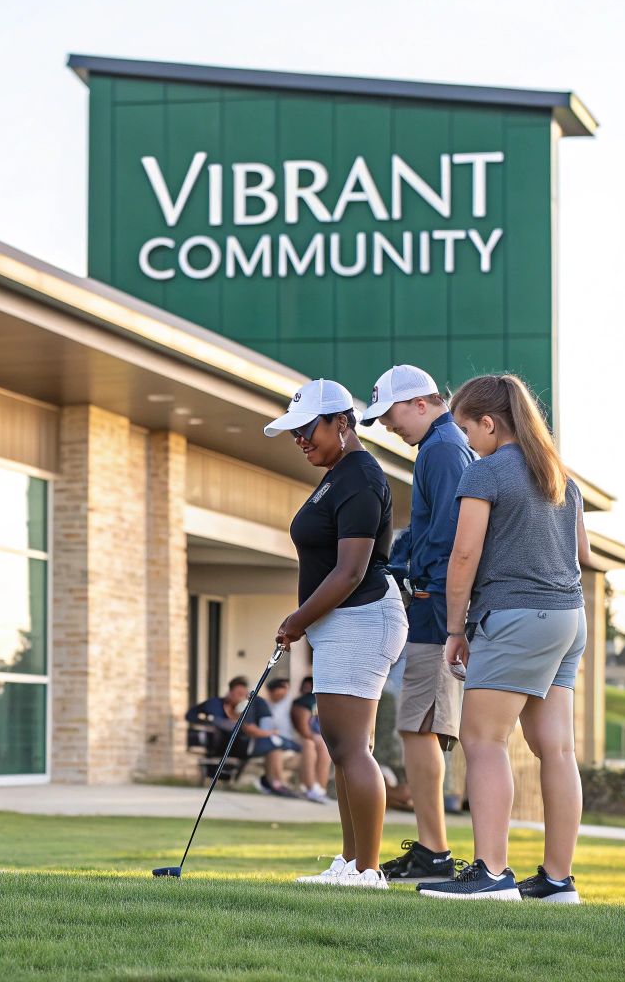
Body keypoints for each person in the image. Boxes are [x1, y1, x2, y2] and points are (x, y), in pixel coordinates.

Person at [418, 374, 591, 905]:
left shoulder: (487, 473)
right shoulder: (561, 477)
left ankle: (491, 873)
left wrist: (453, 629)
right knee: (556, 749)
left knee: (483, 741)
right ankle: (558, 881)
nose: (467, 441)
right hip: (569, 620)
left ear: (490, 423)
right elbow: (581, 553)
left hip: (514, 617)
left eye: (469, 429)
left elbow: (463, 557)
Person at [265, 380, 405, 890]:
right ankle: (350, 863)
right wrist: (305, 620)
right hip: (342, 623)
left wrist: (297, 619)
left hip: (362, 616)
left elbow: (350, 571)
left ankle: (369, 870)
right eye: (294, 434)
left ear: (341, 422)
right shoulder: (339, 474)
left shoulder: (360, 476)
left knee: (350, 748)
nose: (300, 440)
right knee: (343, 744)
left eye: (307, 430)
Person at [362, 365, 474, 883]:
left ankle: (435, 852)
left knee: (419, 726)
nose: (389, 426)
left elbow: (453, 529)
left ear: (421, 403)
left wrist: (423, 579)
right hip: (432, 605)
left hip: (435, 608)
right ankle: (432, 848)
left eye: (392, 415)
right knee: (418, 726)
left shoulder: (441, 449)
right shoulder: (441, 446)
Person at [182, 675, 288, 792]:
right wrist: (207, 722)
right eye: (238, 694)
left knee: (275, 747)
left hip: (241, 744)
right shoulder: (215, 704)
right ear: (230, 692)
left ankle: (277, 784)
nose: (241, 697)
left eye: (244, 695)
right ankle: (275, 784)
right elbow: (190, 715)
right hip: (220, 745)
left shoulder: (247, 709)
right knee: (275, 746)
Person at [291, 676, 331, 802]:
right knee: (309, 744)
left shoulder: (321, 701)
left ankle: (320, 789)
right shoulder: (301, 702)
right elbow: (303, 729)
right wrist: (313, 738)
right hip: (299, 737)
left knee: (325, 749)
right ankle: (311, 787)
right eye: (306, 686)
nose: (308, 688)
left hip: (315, 737)